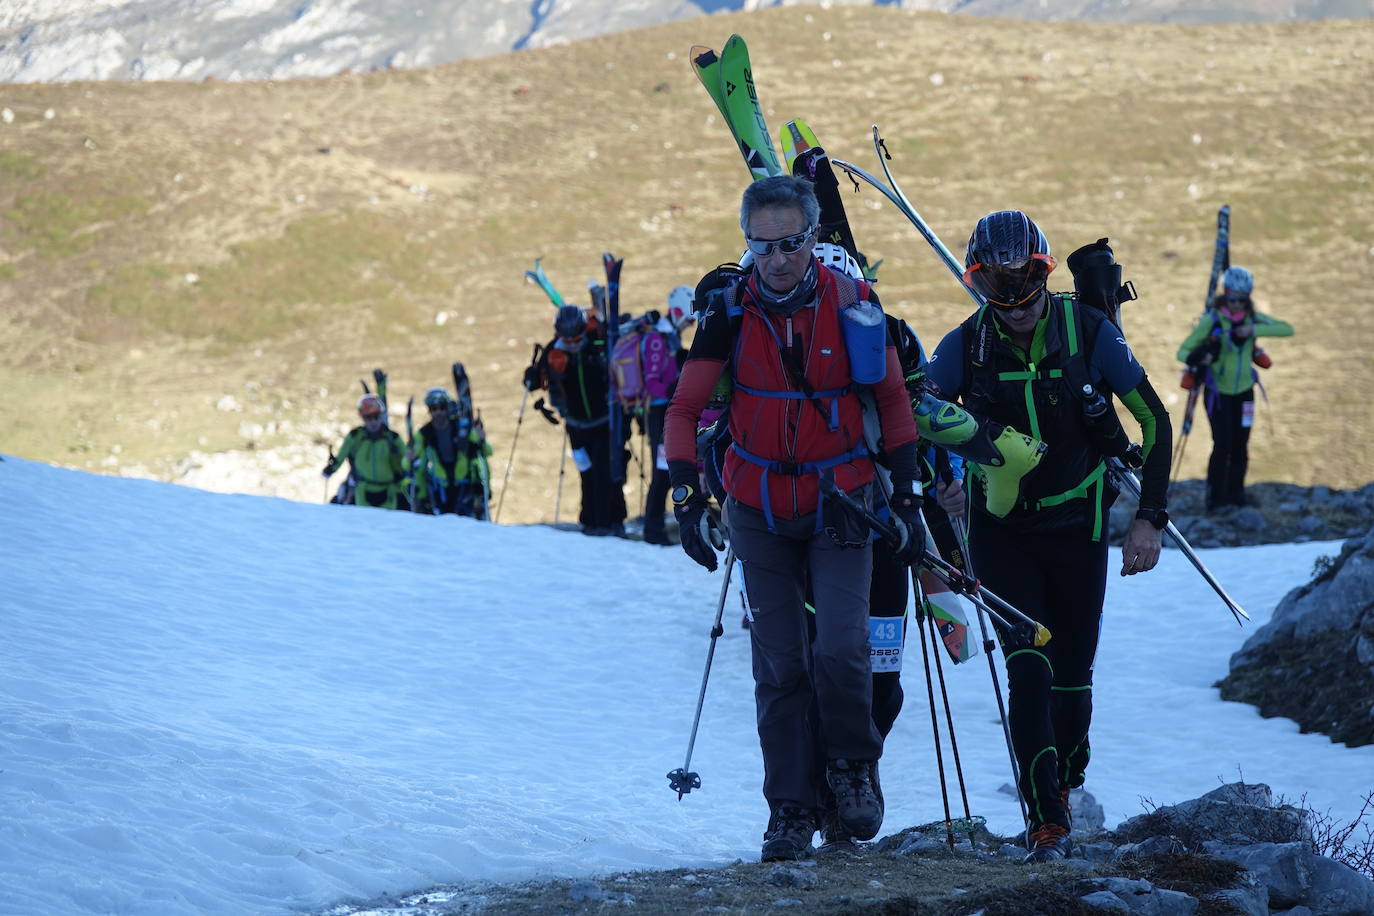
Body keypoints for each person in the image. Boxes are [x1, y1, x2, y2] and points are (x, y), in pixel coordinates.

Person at [664, 175, 926, 862]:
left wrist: (907, 495)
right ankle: (789, 810)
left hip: (843, 503)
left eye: (790, 242)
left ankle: (851, 769)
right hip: (758, 510)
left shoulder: (855, 305)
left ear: (813, 238)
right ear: (747, 243)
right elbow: (685, 411)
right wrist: (688, 496)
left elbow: (894, 405)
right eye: (762, 244)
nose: (777, 257)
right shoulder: (727, 312)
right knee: (780, 666)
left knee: (841, 649)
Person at [925, 210, 1172, 863]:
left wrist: (1150, 517)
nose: (1014, 304)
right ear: (976, 284)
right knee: (1028, 669)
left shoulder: (1089, 331)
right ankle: (1047, 821)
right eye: (994, 287)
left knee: (1072, 677)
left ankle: (1067, 782)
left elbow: (1156, 420)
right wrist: (940, 479)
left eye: (1026, 281)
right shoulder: (965, 345)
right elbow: (913, 412)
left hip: (1079, 522)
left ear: (1046, 270)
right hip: (1001, 532)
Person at [1176, 265, 1292, 511]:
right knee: (1223, 444)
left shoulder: (1252, 318)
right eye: (1232, 298)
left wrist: (1253, 330)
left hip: (1245, 393)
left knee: (1241, 444)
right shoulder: (1212, 320)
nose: (1237, 304)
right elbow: (1183, 352)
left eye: (1242, 299)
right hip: (1217, 394)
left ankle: (1237, 497)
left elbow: (1286, 329)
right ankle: (1215, 499)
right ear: (1225, 294)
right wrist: (1201, 356)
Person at [526, 304, 628, 536]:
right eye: (567, 340)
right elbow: (540, 380)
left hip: (604, 422)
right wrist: (531, 378)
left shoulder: (598, 344)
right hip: (575, 425)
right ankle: (589, 520)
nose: (572, 344)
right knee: (586, 472)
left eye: (577, 339)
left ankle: (609, 521)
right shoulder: (554, 351)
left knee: (605, 471)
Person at [639, 289, 696, 545]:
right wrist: (677, 387)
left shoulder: (671, 338)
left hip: (671, 413)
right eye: (688, 318)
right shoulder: (657, 340)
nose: (690, 324)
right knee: (662, 475)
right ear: (677, 312)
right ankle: (653, 531)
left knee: (667, 472)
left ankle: (657, 527)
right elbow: (653, 385)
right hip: (659, 415)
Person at [411, 387, 493, 518]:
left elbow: (486, 452)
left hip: (466, 490)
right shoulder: (424, 434)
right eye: (433, 409)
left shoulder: (463, 428)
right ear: (429, 411)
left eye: (441, 407)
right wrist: (422, 497)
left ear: (447, 408)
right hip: (440, 491)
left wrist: (481, 439)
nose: (438, 412)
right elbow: (417, 466)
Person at [323, 393, 410, 510]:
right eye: (368, 418)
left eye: (376, 416)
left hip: (389, 490)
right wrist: (330, 469)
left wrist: (412, 461)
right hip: (362, 490)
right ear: (362, 417)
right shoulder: (355, 437)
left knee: (388, 525)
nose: (373, 422)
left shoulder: (393, 439)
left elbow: (407, 461)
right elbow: (341, 457)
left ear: (381, 415)